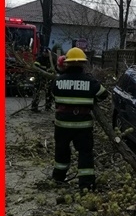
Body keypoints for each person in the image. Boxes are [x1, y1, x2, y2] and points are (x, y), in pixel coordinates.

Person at [51, 47, 108, 190]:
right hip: (83, 126)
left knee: (61, 151)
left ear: (67, 63)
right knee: (85, 154)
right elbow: (104, 94)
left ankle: (58, 178)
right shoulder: (90, 82)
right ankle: (86, 184)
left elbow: (53, 96)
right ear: (83, 63)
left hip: (62, 125)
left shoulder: (58, 81)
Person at [31, 47, 54, 112]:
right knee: (37, 92)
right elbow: (36, 67)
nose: (45, 54)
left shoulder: (51, 59)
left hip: (48, 79)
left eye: (46, 53)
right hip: (40, 78)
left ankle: (48, 107)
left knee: (49, 93)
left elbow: (54, 68)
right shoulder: (39, 58)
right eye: (44, 52)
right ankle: (34, 107)